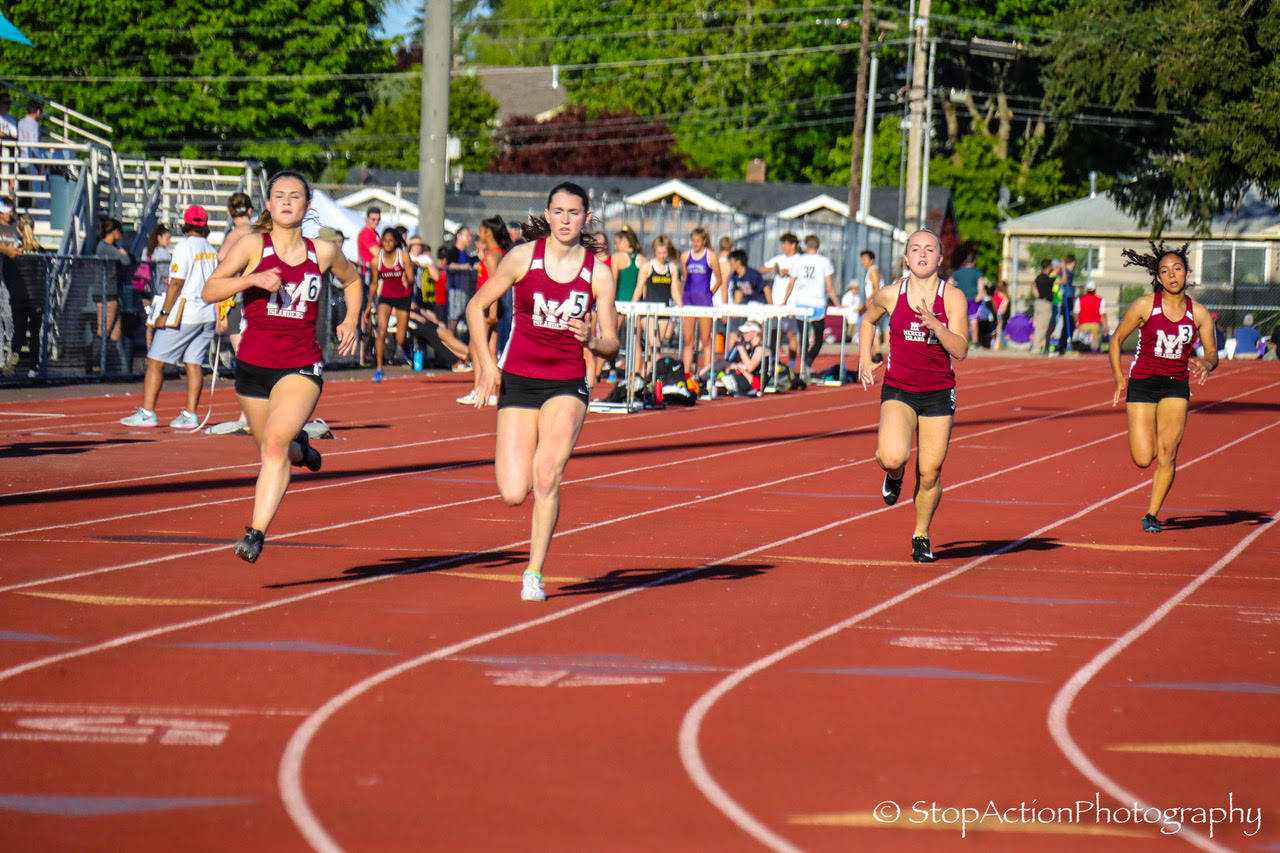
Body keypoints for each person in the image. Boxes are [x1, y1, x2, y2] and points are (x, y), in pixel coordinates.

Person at [464, 181, 619, 602]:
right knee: (515, 492)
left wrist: (591, 338)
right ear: (547, 214)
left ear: (586, 218)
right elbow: (476, 306)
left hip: (568, 381)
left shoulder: (598, 273)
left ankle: (533, 572)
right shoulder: (522, 257)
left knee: (547, 474)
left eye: (574, 212)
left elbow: (612, 342)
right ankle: (532, 472)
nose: (566, 219)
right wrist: (486, 366)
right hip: (520, 379)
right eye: (559, 211)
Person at [202, 171, 362, 563]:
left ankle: (255, 533)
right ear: (268, 205)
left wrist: (351, 319)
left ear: (307, 206)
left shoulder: (322, 251)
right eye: (279, 195)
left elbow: (353, 280)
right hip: (253, 365)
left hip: (300, 365)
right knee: (277, 449)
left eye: (295, 196)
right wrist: (252, 279)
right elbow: (210, 290)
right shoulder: (252, 245)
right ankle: (301, 447)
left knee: (273, 444)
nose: (287, 201)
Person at [858, 229, 969, 563]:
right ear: (906, 258)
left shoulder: (952, 298)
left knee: (931, 472)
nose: (922, 255)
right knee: (892, 457)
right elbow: (868, 320)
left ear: (939, 258)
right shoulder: (891, 294)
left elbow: (961, 349)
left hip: (937, 392)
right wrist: (865, 358)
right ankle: (894, 475)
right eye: (915, 249)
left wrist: (937, 326)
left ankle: (920, 534)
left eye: (929, 249)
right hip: (899, 389)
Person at [1110, 242, 1217, 533]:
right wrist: (1120, 377)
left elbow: (1212, 353)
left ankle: (1152, 515)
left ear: (1187, 273)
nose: (1172, 275)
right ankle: (1153, 429)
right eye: (1165, 271)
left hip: (1175, 385)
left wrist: (1207, 364)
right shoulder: (1145, 305)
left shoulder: (1200, 314)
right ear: (1158, 278)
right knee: (1144, 458)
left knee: (1168, 452)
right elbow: (1117, 339)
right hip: (1144, 384)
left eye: (1177, 269)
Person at [120, 206, 220, 429]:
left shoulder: (184, 247)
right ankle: (190, 414)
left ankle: (147, 412)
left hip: (186, 312)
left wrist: (164, 313)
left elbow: (177, 282)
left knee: (155, 360)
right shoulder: (211, 249)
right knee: (193, 364)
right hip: (206, 312)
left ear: (186, 224)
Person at [458, 215, 513, 404]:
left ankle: (478, 389)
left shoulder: (492, 256)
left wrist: (491, 312)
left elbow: (492, 285)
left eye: (481, 230)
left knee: (476, 348)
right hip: (493, 307)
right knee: (490, 351)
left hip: (486, 306)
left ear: (488, 232)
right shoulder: (498, 253)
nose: (478, 234)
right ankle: (489, 391)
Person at [779, 234, 837, 373]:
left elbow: (791, 284)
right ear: (819, 247)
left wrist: (784, 301)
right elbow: (829, 286)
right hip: (817, 303)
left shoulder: (799, 261)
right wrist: (837, 303)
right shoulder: (824, 261)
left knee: (803, 337)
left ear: (806, 246)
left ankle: (805, 363)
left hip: (802, 303)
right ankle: (807, 363)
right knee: (818, 339)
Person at [367, 228, 414, 382]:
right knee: (381, 331)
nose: (387, 244)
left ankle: (407, 349)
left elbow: (412, 278)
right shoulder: (376, 260)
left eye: (390, 241)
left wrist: (407, 281)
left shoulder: (403, 256)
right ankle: (379, 368)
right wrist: (368, 305)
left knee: (400, 338)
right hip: (386, 297)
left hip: (402, 296)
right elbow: (374, 284)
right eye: (385, 241)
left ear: (395, 242)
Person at [634, 234, 682, 373]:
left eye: (665, 252)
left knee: (655, 347)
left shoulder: (672, 268)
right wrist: (632, 307)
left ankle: (645, 374)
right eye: (659, 252)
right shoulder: (647, 267)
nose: (662, 256)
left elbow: (674, 291)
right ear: (654, 251)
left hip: (664, 311)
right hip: (648, 311)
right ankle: (655, 374)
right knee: (655, 344)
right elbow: (639, 288)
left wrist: (682, 309)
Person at [680, 226, 722, 380]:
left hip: (704, 300)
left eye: (698, 241)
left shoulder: (710, 256)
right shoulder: (685, 256)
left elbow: (719, 279)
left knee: (705, 339)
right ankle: (685, 373)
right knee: (688, 339)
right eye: (693, 241)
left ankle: (707, 371)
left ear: (704, 241)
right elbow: (686, 278)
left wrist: (709, 294)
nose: (695, 244)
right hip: (689, 299)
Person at [93, 217, 131, 373]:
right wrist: (122, 253)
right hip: (106, 294)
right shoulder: (104, 247)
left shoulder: (112, 247)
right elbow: (125, 260)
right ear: (115, 231)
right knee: (104, 329)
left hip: (114, 293)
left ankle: (121, 368)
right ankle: (95, 365)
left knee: (116, 333)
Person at [761, 233, 802, 365]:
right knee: (774, 334)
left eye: (786, 244)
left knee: (791, 334)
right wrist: (772, 269)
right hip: (776, 303)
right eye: (782, 244)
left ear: (793, 245)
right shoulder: (778, 258)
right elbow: (761, 270)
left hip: (791, 303)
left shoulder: (800, 260)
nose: (783, 247)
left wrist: (788, 271)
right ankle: (773, 362)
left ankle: (791, 364)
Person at [135, 223, 172, 348]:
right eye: (167, 238)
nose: (169, 241)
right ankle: (158, 348)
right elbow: (166, 274)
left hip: (145, 293)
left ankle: (149, 347)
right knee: (160, 320)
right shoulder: (164, 254)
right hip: (159, 294)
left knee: (149, 320)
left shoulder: (146, 251)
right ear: (159, 238)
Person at [947, 247, 988, 345]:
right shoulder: (977, 272)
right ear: (974, 262)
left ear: (965, 262)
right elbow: (981, 282)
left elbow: (949, 282)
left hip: (960, 299)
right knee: (973, 320)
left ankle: (959, 341)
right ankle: (975, 342)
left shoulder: (958, 272)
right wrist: (980, 294)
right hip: (973, 299)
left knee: (959, 319)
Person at [445, 226, 476, 335]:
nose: (469, 238)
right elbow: (450, 265)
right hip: (456, 290)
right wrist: (466, 267)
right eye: (467, 236)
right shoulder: (454, 251)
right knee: (453, 318)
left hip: (465, 291)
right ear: (459, 236)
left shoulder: (466, 253)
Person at [611, 227, 644, 303]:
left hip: (621, 301)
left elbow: (614, 281)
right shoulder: (643, 259)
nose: (615, 247)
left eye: (617, 243)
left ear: (625, 242)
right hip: (639, 303)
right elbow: (644, 288)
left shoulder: (617, 257)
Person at [1053, 254, 1078, 355]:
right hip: (1066, 299)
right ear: (1073, 263)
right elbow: (1063, 280)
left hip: (1068, 298)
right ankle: (1062, 345)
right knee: (1068, 322)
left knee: (1069, 323)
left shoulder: (1068, 272)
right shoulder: (1067, 272)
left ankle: (1063, 345)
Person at [1075, 280, 1107, 352]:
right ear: (1095, 289)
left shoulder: (1079, 300)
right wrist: (1106, 328)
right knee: (1095, 348)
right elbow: (1103, 315)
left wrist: (1076, 324)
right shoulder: (1100, 300)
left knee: (1082, 346)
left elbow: (1076, 314)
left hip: (1083, 325)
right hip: (1095, 325)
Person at [1031, 258, 1055, 354]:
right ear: (1049, 267)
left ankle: (1038, 347)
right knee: (1042, 326)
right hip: (1045, 303)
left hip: (1039, 302)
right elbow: (1062, 280)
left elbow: (1034, 288)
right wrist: (1062, 268)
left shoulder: (1038, 277)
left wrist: (1038, 295)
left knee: (1040, 326)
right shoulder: (1047, 279)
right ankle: (1037, 349)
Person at [356, 206, 381, 274]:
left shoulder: (375, 233)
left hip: (374, 271)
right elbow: (377, 253)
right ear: (366, 218)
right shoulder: (365, 233)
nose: (376, 222)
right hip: (367, 273)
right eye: (373, 219)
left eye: (378, 219)